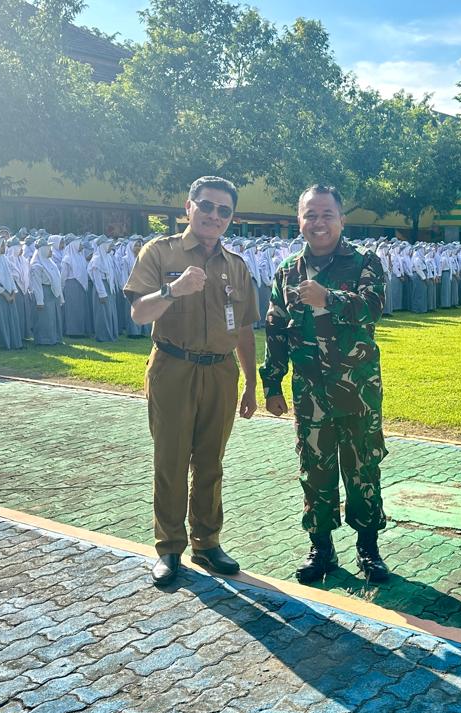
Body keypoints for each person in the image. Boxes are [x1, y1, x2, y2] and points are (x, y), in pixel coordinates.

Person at [124, 176, 258, 586]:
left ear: (230, 218)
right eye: (206, 206)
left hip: (220, 372)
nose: (214, 216)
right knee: (171, 460)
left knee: (210, 462)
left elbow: (245, 329)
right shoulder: (160, 252)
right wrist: (173, 289)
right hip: (173, 368)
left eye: (223, 211)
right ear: (189, 207)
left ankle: (207, 542)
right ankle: (169, 547)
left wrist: (252, 384)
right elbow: (139, 314)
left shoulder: (235, 265)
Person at [261, 184, 391, 585]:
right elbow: (275, 328)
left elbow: (373, 307)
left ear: (341, 219)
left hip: (357, 390)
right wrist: (272, 383)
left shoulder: (364, 262)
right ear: (299, 220)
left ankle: (368, 548)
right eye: (310, 215)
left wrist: (326, 297)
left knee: (362, 465)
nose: (318, 222)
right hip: (309, 392)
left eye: (326, 214)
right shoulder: (287, 271)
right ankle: (321, 548)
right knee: (314, 469)